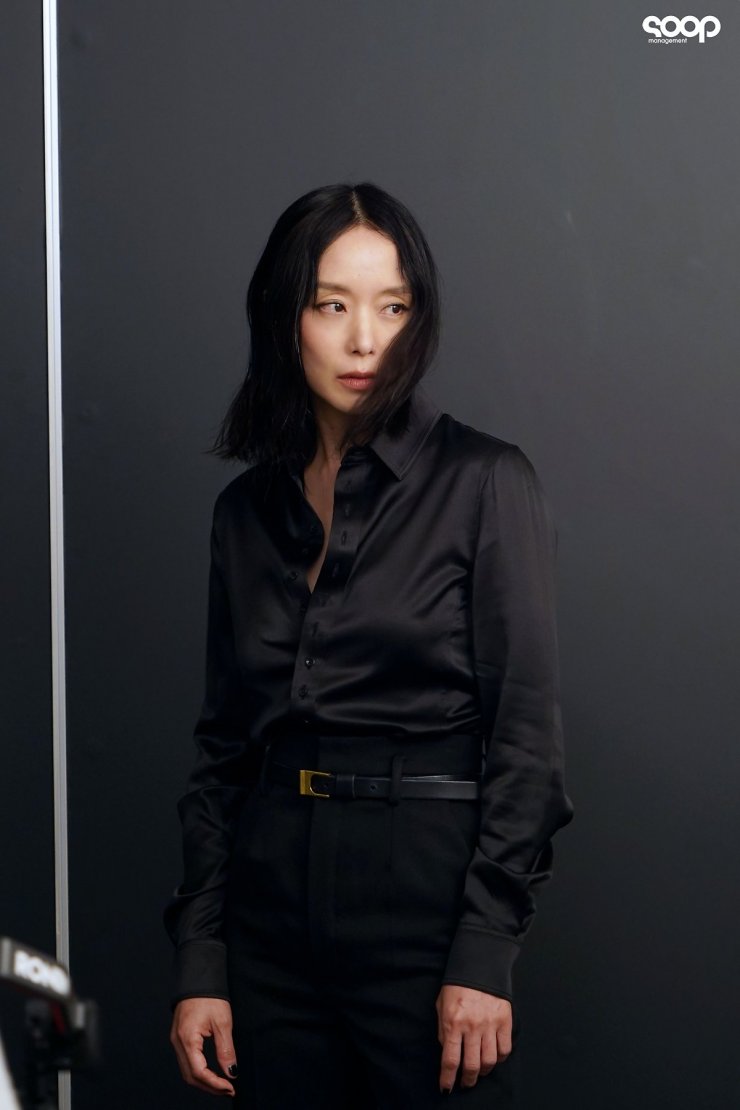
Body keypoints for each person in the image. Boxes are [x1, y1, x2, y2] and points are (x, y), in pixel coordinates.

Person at [164, 182, 573, 1108]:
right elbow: (223, 751)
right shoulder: (245, 512)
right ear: (285, 317)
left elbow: (527, 743)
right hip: (269, 908)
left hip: (424, 898)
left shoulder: (485, 481)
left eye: (392, 308)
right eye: (332, 305)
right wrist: (202, 957)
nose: (363, 342)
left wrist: (484, 951)